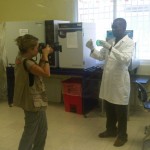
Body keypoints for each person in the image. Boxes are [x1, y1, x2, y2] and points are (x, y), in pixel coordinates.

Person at [86, 18, 135, 147]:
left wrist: (111, 48)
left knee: (121, 110)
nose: (114, 29)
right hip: (108, 81)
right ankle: (111, 130)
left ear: (124, 28)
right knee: (109, 108)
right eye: (113, 27)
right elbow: (101, 57)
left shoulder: (130, 43)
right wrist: (91, 48)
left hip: (119, 82)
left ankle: (122, 136)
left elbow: (125, 59)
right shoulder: (111, 41)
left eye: (117, 27)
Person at [13, 34, 53, 150]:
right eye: (36, 47)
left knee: (42, 130)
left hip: (36, 101)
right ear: (30, 50)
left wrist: (41, 57)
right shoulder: (27, 62)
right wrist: (45, 55)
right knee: (30, 133)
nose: (38, 49)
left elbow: (38, 71)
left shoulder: (21, 57)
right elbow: (46, 73)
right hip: (32, 103)